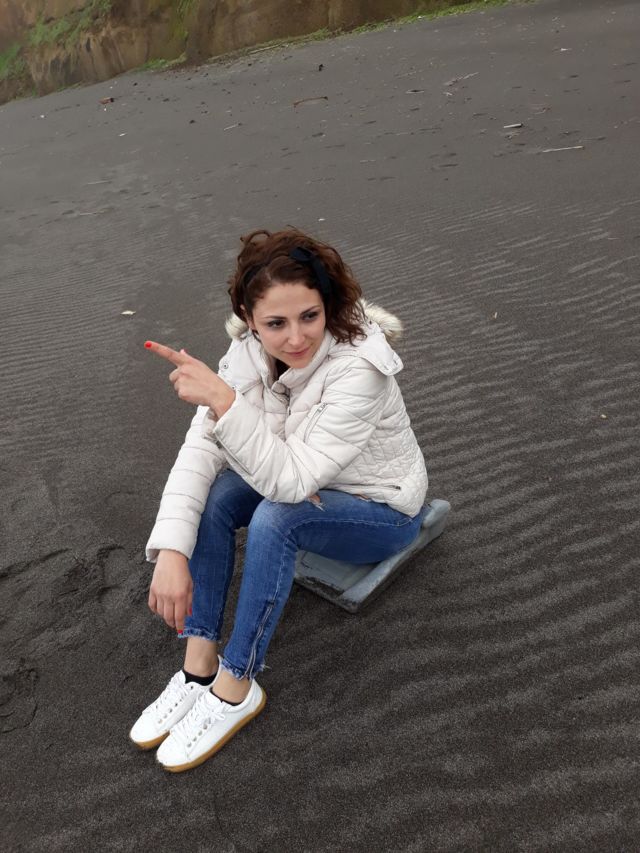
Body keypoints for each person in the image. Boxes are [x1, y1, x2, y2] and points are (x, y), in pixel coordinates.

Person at [130, 228, 428, 772]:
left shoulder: (360, 368)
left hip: (380, 510)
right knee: (216, 496)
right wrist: (172, 549)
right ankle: (198, 664)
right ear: (248, 317)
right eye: (275, 323)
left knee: (276, 518)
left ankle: (237, 684)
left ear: (328, 304)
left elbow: (290, 484)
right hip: (293, 473)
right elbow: (202, 450)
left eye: (309, 316)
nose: (295, 338)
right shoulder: (246, 352)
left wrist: (224, 403)